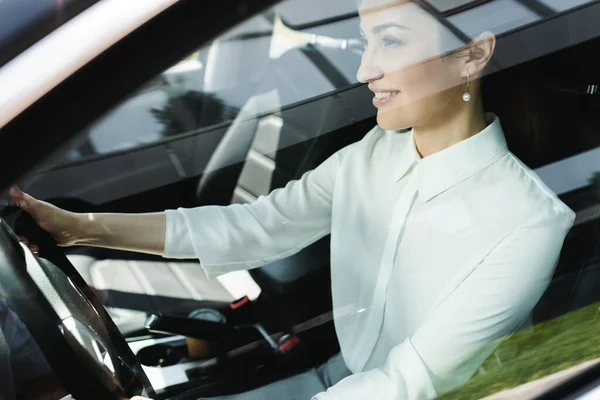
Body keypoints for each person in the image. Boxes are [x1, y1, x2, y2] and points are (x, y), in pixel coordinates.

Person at [10, 0, 575, 399]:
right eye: (365, 43)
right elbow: (254, 227)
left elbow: (408, 386)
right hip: (337, 378)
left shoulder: (528, 223)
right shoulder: (373, 152)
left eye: (391, 41)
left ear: (473, 54)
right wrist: (80, 228)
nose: (363, 69)